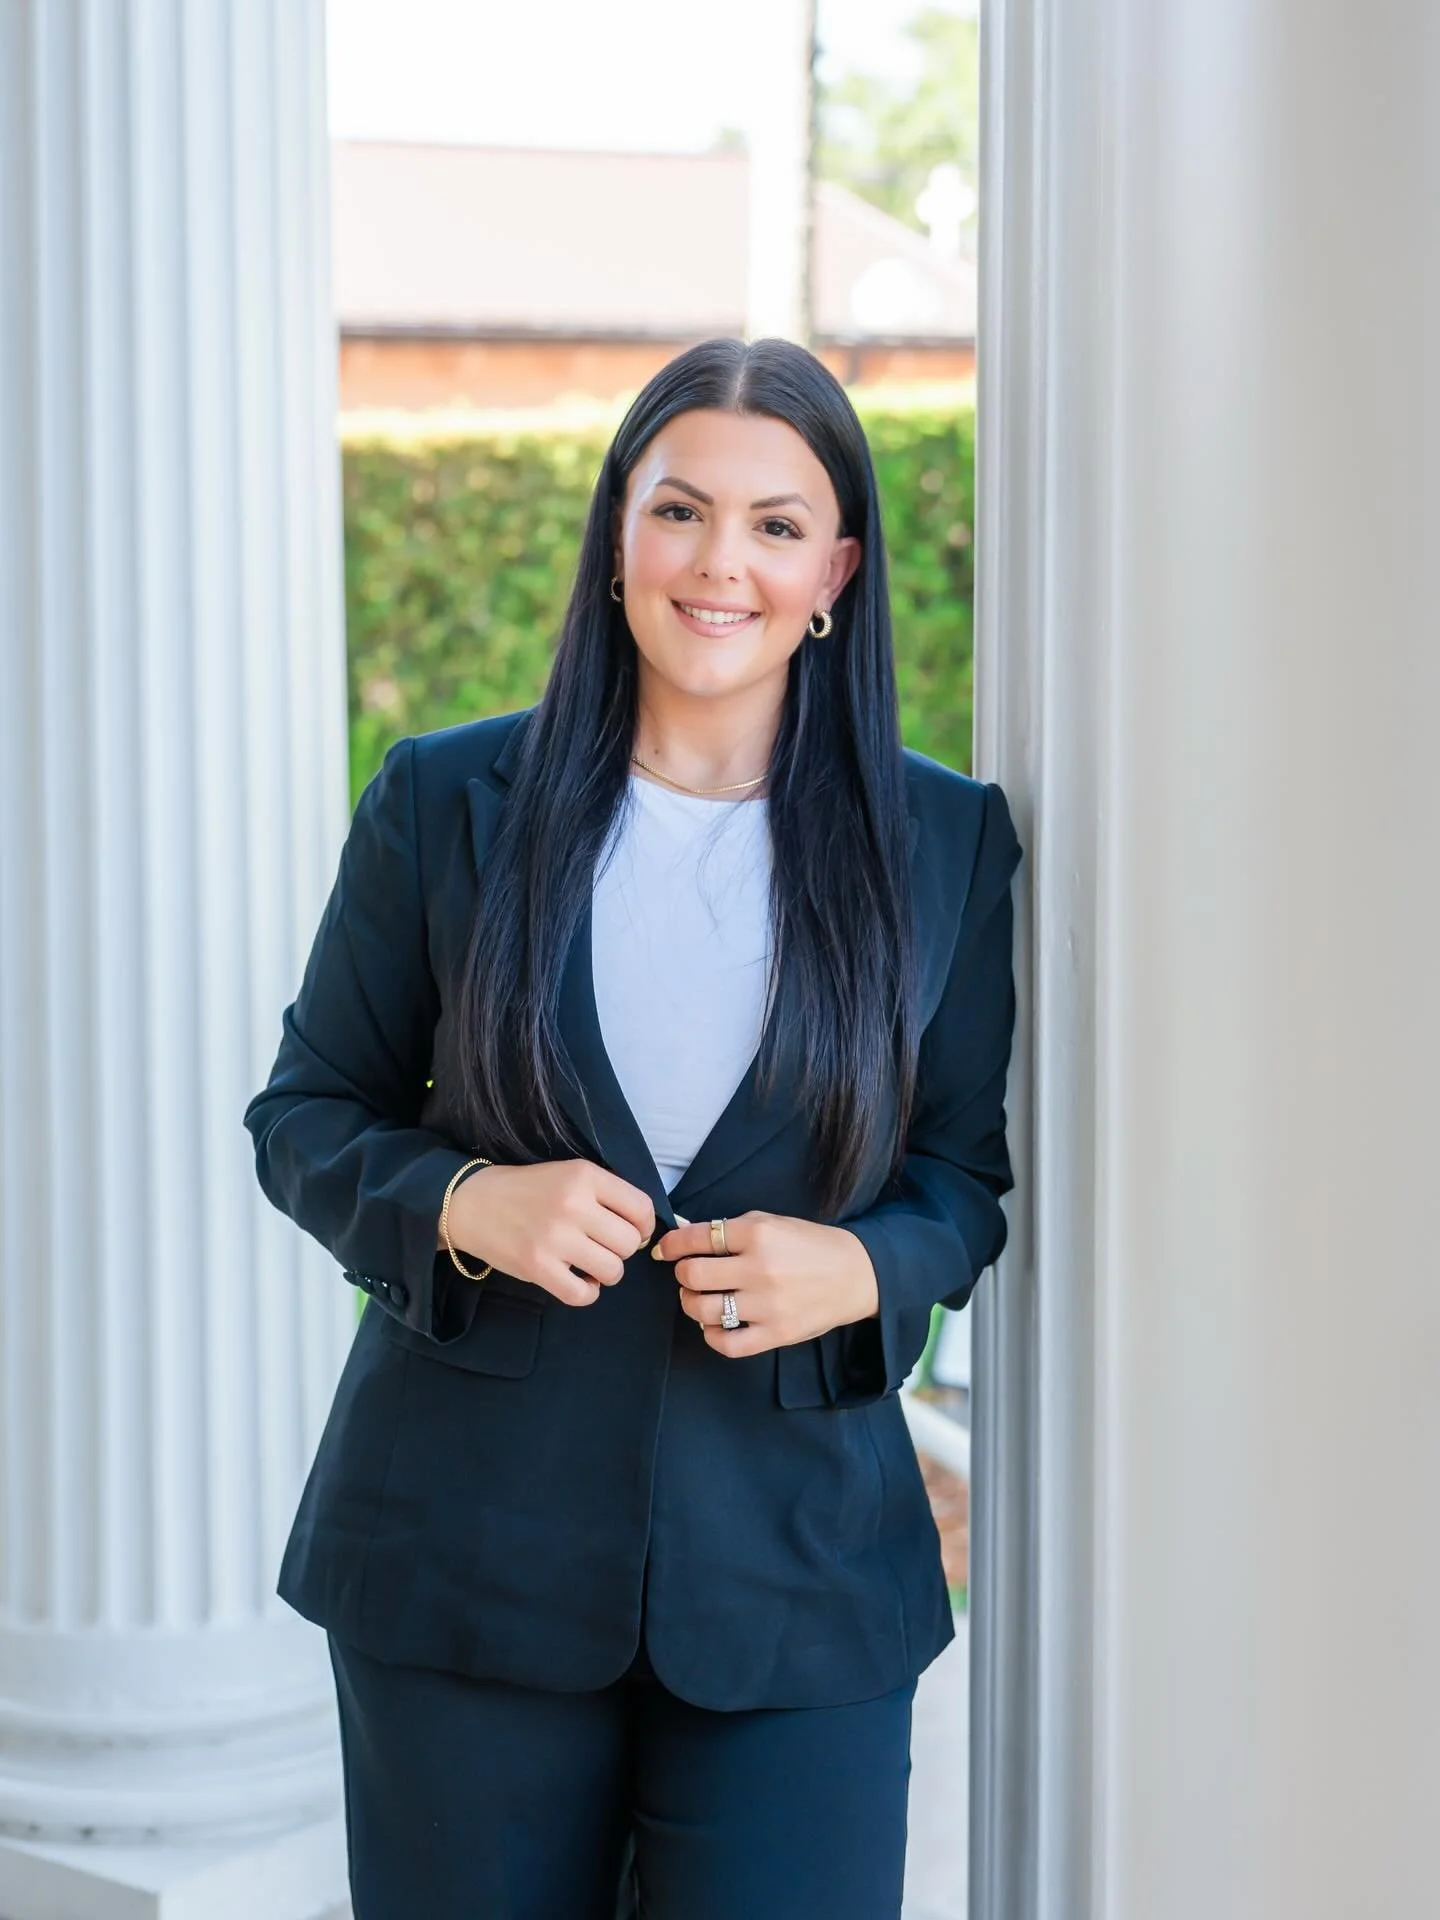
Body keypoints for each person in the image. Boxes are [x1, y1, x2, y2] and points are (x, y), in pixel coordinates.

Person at [244, 335, 1022, 1920]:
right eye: (679, 509)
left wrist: (865, 1268)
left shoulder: (944, 841)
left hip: (800, 1576)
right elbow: (306, 1114)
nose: (720, 560)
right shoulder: (441, 802)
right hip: (459, 1561)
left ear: (837, 573)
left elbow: (962, 1179)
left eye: (776, 524)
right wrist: (469, 1200)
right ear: (617, 538)